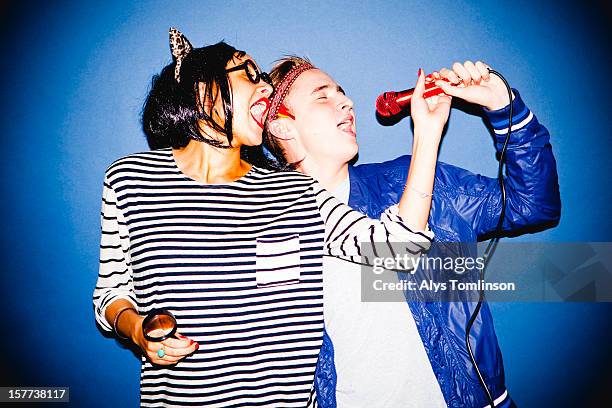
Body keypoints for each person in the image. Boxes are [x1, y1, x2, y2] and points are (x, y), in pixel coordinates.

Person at [93, 29, 450, 407]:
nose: (263, 85)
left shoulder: (295, 191)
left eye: (263, 76)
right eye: (247, 73)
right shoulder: (130, 181)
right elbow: (111, 295)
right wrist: (138, 330)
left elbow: (400, 249)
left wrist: (426, 132)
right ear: (202, 90)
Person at [264, 56, 561, 407]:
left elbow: (533, 205)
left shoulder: (411, 180)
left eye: (342, 92)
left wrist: (503, 106)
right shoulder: (272, 231)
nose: (346, 101)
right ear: (283, 126)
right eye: (321, 95)